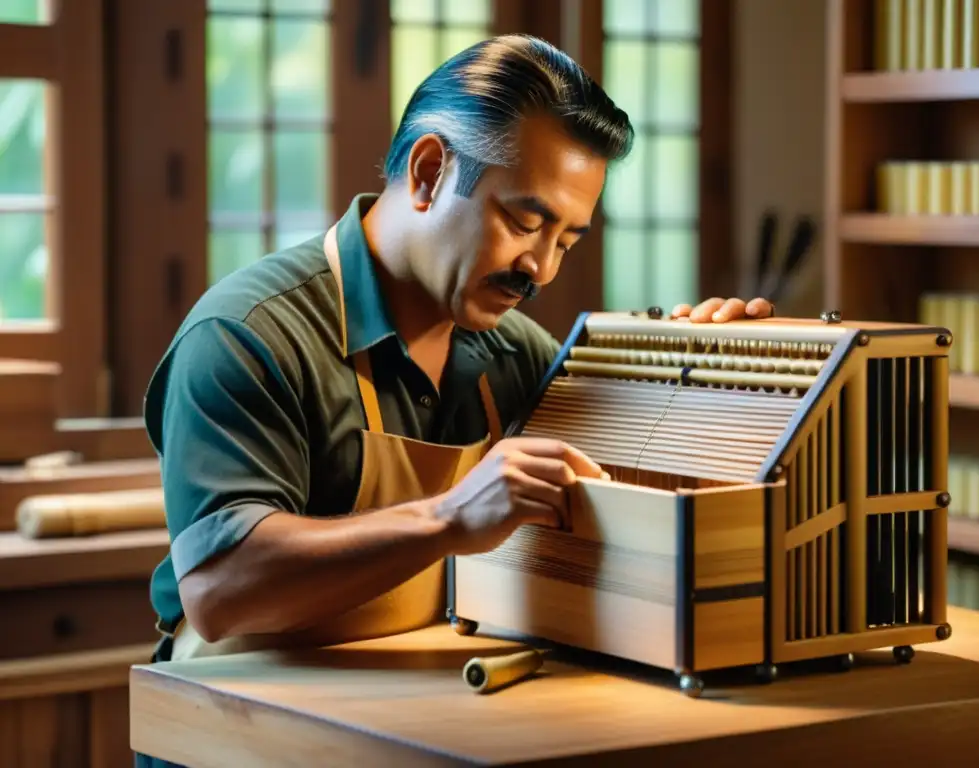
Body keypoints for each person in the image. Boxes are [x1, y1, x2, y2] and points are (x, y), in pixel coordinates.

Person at [142, 33, 774, 670]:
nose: (542, 269)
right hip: (236, 728)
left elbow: (638, 501)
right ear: (428, 173)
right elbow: (219, 591)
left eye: (568, 241)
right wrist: (447, 518)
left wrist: (706, 377)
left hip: (422, 712)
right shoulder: (248, 336)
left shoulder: (520, 356)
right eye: (525, 224)